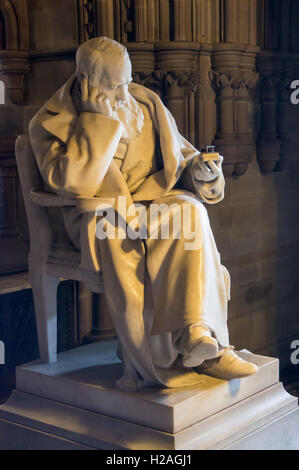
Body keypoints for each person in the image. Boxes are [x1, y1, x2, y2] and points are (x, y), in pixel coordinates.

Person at [29, 37, 258, 390]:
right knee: (123, 242)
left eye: (126, 80)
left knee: (191, 210)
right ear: (87, 80)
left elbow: (180, 156)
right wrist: (95, 121)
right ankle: (155, 364)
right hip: (101, 212)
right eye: (114, 85)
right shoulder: (50, 121)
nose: (123, 94)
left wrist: (200, 170)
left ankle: (202, 337)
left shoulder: (144, 101)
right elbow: (73, 184)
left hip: (153, 203)